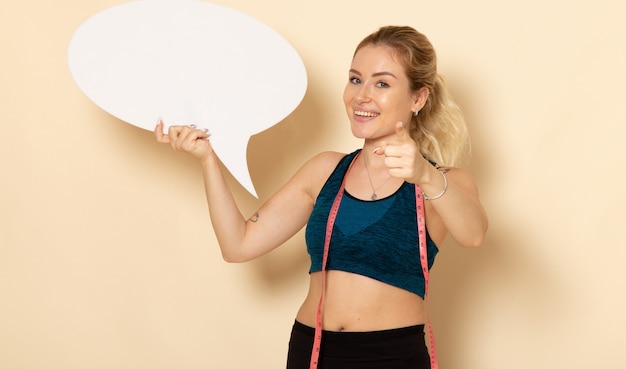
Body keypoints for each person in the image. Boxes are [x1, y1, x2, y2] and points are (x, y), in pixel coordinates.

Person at [155, 26, 488, 369]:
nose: (361, 96)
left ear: (418, 98)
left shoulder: (441, 182)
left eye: (382, 83)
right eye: (355, 79)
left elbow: (473, 234)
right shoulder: (326, 170)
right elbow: (237, 245)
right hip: (311, 351)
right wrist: (208, 159)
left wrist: (424, 174)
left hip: (391, 356)